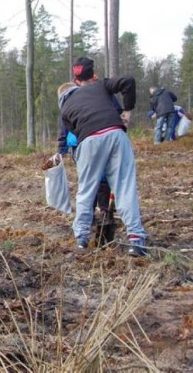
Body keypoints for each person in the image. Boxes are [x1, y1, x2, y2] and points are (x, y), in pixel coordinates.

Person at [58, 57, 148, 257]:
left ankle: (81, 240)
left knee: (86, 190)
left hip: (88, 141)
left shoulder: (65, 108)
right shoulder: (101, 86)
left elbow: (74, 133)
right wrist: (127, 110)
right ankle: (136, 239)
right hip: (116, 134)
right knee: (124, 187)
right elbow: (128, 81)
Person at [56, 82, 118, 247]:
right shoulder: (70, 109)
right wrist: (61, 150)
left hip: (94, 142)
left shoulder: (75, 104)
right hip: (82, 147)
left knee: (97, 182)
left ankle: (104, 212)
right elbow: (63, 132)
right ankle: (90, 216)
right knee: (92, 182)